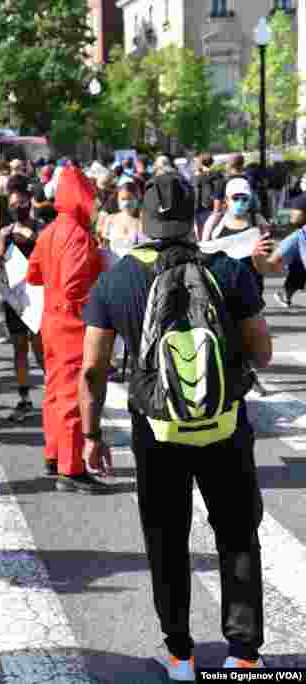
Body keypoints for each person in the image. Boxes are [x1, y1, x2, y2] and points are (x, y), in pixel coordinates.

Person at [80, 172, 272, 677]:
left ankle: (180, 655)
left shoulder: (117, 280)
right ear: (195, 218)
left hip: (156, 430)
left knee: (166, 538)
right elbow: (263, 353)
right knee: (237, 533)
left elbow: (92, 368)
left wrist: (91, 434)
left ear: (143, 220)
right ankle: (243, 654)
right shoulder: (228, 269)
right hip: (225, 426)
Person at [26, 166, 109, 492]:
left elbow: (33, 275)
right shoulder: (78, 235)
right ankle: (72, 468)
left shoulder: (49, 231)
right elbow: (75, 287)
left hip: (50, 319)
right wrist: (102, 278)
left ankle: (54, 454)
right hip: (72, 323)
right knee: (74, 395)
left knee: (54, 391)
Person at [0, 181, 45, 423]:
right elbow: (1, 261)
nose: (18, 208)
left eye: (22, 203)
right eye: (13, 205)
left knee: (41, 348)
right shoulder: (5, 232)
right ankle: (24, 398)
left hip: (38, 296)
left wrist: (33, 237)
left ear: (29, 202)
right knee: (19, 349)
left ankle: (54, 391)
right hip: (16, 298)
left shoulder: (42, 228)